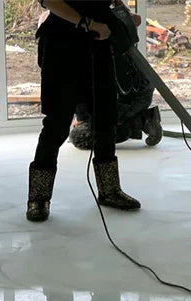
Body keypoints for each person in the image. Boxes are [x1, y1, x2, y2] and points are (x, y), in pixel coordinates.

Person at [27, 0, 143, 222]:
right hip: (62, 46)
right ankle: (38, 198)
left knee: (106, 120)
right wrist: (86, 22)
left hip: (99, 44)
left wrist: (125, 15)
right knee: (57, 125)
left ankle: (109, 190)